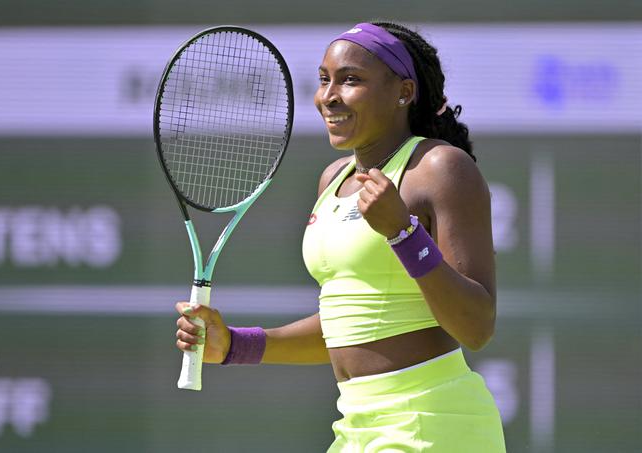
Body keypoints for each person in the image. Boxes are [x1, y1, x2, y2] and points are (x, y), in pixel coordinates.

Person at [175, 21, 506, 452]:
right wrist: (236, 345)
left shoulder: (441, 168)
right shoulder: (333, 179)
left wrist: (402, 233)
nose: (329, 96)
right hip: (356, 425)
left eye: (351, 80)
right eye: (324, 79)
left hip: (431, 421)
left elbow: (477, 326)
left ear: (404, 92)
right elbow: (349, 323)